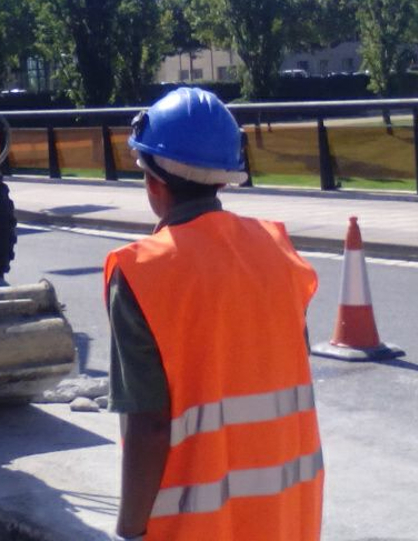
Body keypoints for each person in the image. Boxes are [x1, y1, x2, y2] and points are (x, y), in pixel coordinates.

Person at [104, 87, 323, 541]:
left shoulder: (142, 273)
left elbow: (148, 426)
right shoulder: (278, 252)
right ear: (225, 175)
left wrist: (128, 531)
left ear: (152, 181)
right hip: (287, 515)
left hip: (195, 527)